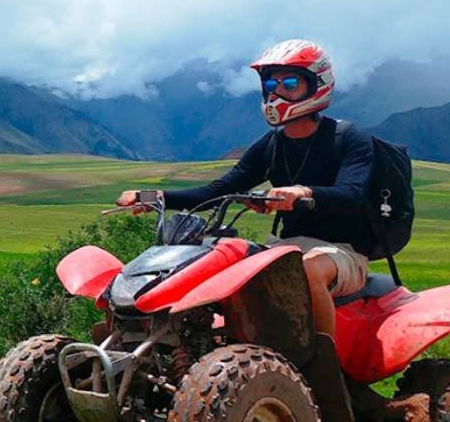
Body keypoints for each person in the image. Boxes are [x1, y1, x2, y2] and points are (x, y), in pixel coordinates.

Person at [117, 38, 374, 338]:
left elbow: (353, 194)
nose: (277, 93)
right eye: (270, 85)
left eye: (289, 84)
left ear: (316, 85)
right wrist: (155, 197)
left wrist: (303, 192)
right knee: (217, 262)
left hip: (341, 252)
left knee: (307, 270)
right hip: (285, 247)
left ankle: (322, 366)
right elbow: (218, 190)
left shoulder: (347, 138)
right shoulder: (271, 145)